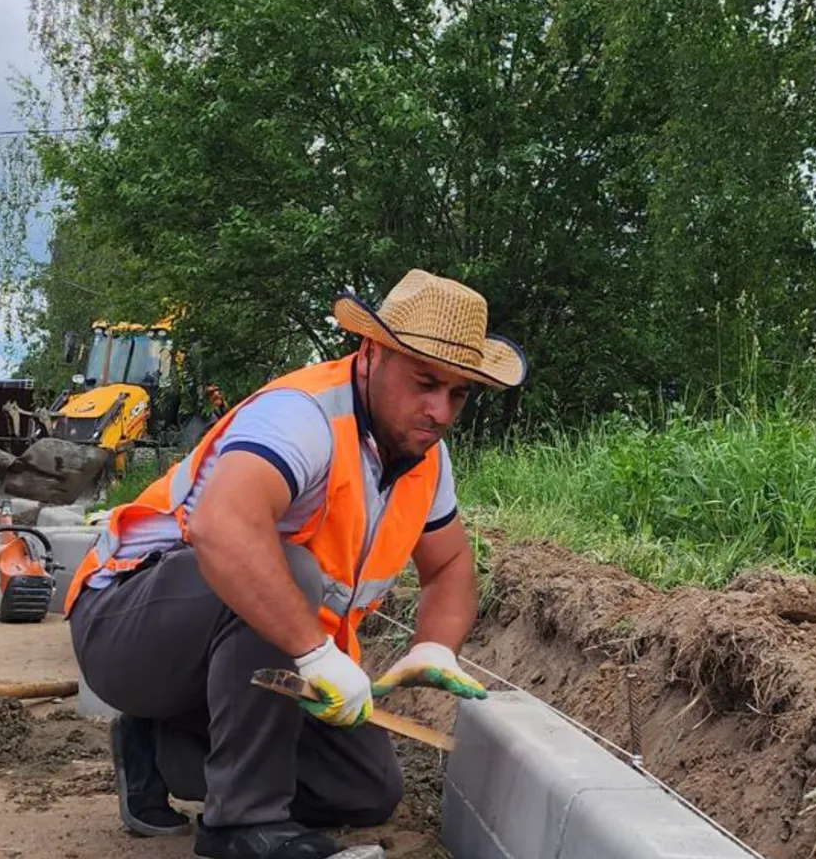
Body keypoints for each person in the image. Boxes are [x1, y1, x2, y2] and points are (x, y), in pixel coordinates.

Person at [64, 269, 526, 859]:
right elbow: (223, 526)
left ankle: (160, 744)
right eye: (425, 383)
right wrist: (315, 653)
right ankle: (240, 826)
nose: (439, 411)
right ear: (371, 353)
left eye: (457, 394)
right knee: (292, 570)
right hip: (125, 627)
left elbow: (452, 565)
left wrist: (432, 646)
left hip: (230, 653)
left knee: (365, 789)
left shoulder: (424, 458)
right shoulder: (302, 416)